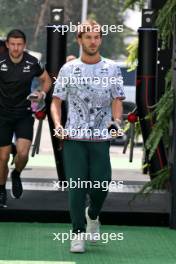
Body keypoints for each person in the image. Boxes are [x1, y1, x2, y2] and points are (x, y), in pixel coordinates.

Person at [51, 20, 125, 253]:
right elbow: (55, 102)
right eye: (88, 37)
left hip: (101, 138)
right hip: (73, 137)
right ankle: (77, 233)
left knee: (102, 185)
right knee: (76, 187)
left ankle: (92, 215)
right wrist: (58, 125)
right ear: (79, 40)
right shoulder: (68, 70)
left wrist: (117, 120)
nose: (93, 41)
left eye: (97, 37)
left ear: (101, 39)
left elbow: (117, 99)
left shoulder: (112, 68)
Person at [0, 29, 52, 207]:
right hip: (2, 115)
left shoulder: (32, 62)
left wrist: (41, 93)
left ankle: (16, 174)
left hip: (23, 113)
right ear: (7, 45)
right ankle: (1, 190)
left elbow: (47, 80)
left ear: (25, 45)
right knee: (3, 157)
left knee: (22, 154)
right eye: (12, 44)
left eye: (19, 44)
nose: (16, 48)